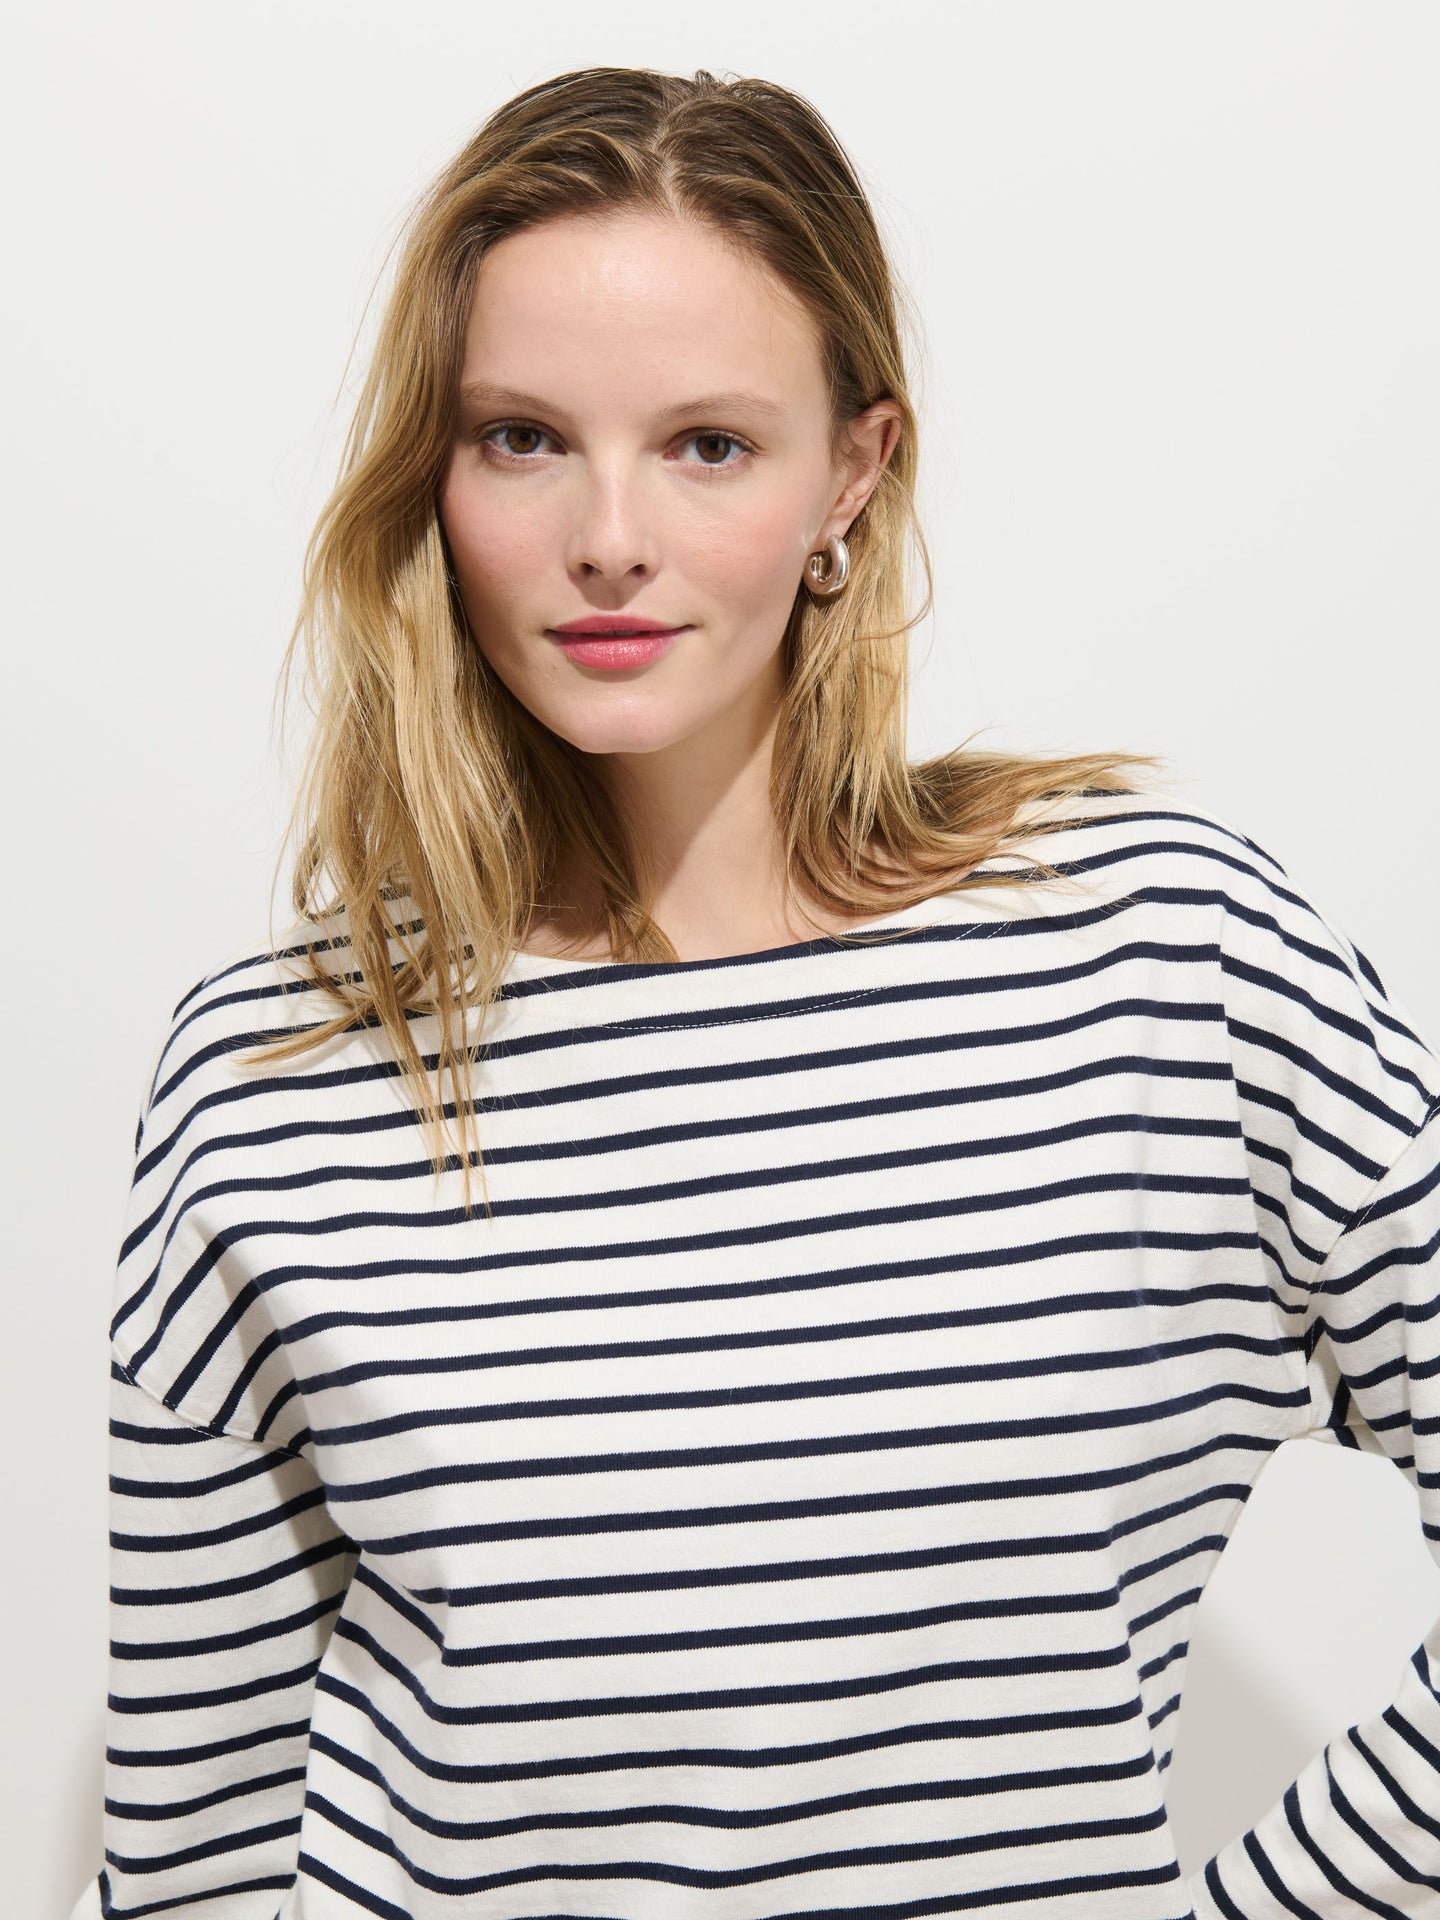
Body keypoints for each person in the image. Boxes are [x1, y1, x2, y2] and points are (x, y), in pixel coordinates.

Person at [70, 64, 1440, 1920]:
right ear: (435, 474)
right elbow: (196, 1849)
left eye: (707, 444)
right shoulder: (277, 1074)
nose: (607, 536)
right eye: (522, 437)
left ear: (852, 474)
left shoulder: (1162, 964)